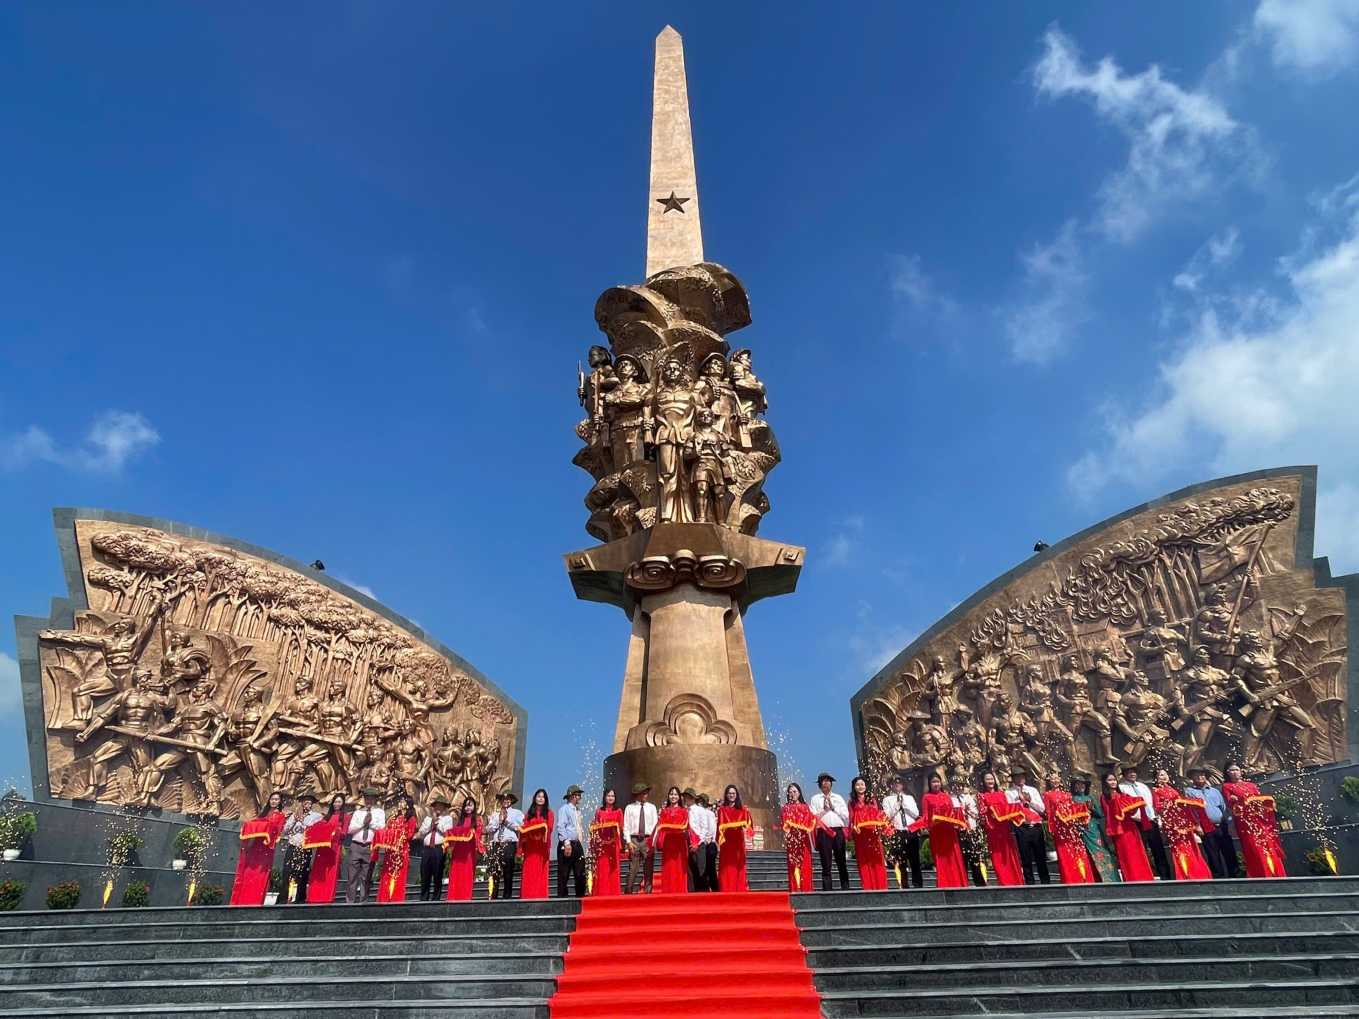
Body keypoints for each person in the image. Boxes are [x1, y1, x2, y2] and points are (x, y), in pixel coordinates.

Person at [1222, 763, 1287, 878]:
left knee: (1267, 844)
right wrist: (1234, 800)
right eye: (1231, 770)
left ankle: (1276, 872)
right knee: (1253, 846)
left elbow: (1259, 800)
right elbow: (1231, 804)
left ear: (1241, 771)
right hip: (1245, 821)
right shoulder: (1227, 786)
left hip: (1259, 819)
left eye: (1236, 769)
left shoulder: (1251, 785)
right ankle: (1260, 873)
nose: (1234, 772)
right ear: (1227, 773)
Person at [1151, 769, 1213, 880]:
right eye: (1160, 775)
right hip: (1172, 824)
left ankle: (1198, 872)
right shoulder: (1156, 791)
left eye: (1165, 774)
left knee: (1191, 846)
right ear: (1156, 778)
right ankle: (1186, 874)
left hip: (1183, 822)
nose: (1164, 776)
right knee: (1180, 848)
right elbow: (1158, 807)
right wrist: (1171, 804)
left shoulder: (1173, 789)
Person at [231, 791, 285, 906]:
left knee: (259, 875)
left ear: (280, 802)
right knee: (248, 873)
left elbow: (276, 830)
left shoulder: (280, 816)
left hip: (266, 848)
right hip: (255, 847)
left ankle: (254, 900)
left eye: (276, 799)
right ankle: (242, 900)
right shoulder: (263, 814)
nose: (274, 801)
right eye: (272, 799)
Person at [1120, 766, 1172, 881]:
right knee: (1141, 850)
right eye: (1129, 772)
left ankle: (1165, 876)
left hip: (1150, 820)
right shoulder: (1122, 788)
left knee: (1158, 849)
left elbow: (1151, 802)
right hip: (1136, 822)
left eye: (1134, 772)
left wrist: (1155, 817)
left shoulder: (1143, 786)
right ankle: (1145, 876)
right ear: (1124, 775)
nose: (1132, 774)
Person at [1101, 771, 1154, 881]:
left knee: (1138, 852)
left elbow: (1132, 810)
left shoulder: (1123, 794)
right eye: (1110, 780)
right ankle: (1132, 878)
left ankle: (1145, 877)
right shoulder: (1104, 797)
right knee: (1127, 855)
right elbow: (1108, 813)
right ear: (1105, 782)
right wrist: (1118, 806)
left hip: (1130, 827)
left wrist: (1135, 805)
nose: (1113, 782)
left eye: (1114, 780)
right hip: (1119, 829)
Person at [1042, 773, 1094, 884]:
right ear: (1049, 781)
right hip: (1060, 829)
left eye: (1057, 778)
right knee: (1066, 853)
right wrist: (1052, 828)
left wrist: (1083, 810)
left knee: (1079, 851)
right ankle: (1071, 879)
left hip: (1072, 827)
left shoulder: (1067, 794)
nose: (1055, 780)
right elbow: (1049, 812)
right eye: (1053, 779)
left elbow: (1073, 809)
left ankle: (1085, 877)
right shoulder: (1047, 795)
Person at [1184, 767, 1235, 878]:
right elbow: (1190, 811)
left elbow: (1224, 808)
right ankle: (1218, 878)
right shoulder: (1189, 792)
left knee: (1229, 851)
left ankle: (1235, 875)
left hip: (1221, 825)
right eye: (1197, 775)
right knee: (1213, 854)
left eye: (1202, 774)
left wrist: (1229, 823)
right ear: (1192, 778)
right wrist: (1196, 826)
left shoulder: (1215, 791)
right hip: (1205, 827)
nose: (1200, 777)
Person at [920, 773, 968, 888]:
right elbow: (925, 815)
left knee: (953, 856)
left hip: (949, 831)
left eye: (937, 781)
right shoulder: (926, 797)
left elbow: (952, 812)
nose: (936, 784)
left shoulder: (946, 796)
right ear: (930, 784)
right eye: (933, 782)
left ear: (941, 783)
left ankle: (958, 882)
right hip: (937, 832)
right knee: (941, 857)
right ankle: (944, 882)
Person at [1069, 774, 1119, 882]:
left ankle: (1111, 878)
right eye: (1078, 784)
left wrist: (1092, 809)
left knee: (1103, 851)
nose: (1081, 786)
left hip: (1094, 829)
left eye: (1082, 784)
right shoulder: (1072, 799)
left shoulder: (1090, 797)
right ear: (1074, 786)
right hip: (1081, 829)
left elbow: (1100, 814)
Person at [977, 771, 1024, 886]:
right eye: (987, 779)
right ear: (983, 782)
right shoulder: (981, 796)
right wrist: (991, 812)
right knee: (998, 855)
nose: (990, 781)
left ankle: (1016, 880)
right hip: (993, 829)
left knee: (1009, 853)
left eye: (991, 779)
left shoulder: (1002, 794)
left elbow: (1008, 808)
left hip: (1004, 828)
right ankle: (1004, 880)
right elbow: (982, 813)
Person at [1006, 768, 1050, 885]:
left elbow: (1042, 809)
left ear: (1024, 778)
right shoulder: (1009, 793)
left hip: (1035, 826)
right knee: (1025, 858)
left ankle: (1045, 882)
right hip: (1021, 827)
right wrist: (1018, 801)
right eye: (1016, 776)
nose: (1019, 778)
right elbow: (1010, 812)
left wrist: (1029, 801)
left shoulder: (1033, 790)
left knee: (1040, 856)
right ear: (1013, 779)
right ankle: (1030, 883)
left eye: (1021, 776)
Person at [808, 773, 851, 891]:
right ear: (819, 784)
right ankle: (827, 890)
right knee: (826, 863)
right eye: (823, 781)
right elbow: (812, 817)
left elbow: (846, 816)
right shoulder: (815, 799)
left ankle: (846, 888)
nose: (826, 783)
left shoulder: (838, 798)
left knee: (841, 861)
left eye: (828, 781)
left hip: (837, 831)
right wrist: (823, 810)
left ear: (831, 784)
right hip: (823, 832)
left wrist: (833, 807)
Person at [278, 792, 322, 904]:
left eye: (310, 802)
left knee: (303, 873)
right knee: (287, 872)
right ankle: (283, 898)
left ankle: (300, 898)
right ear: (302, 803)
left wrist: (302, 821)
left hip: (305, 847)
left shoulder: (316, 816)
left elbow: (314, 829)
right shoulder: (294, 815)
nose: (307, 804)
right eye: (305, 802)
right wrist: (294, 821)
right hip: (293, 845)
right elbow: (285, 830)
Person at [304, 793, 349, 904]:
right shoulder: (326, 817)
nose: (336, 804)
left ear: (343, 803)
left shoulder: (345, 817)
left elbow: (344, 833)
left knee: (330, 874)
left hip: (334, 848)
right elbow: (317, 828)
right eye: (335, 802)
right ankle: (313, 896)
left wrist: (335, 831)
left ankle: (326, 897)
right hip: (322, 849)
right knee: (318, 872)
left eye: (339, 802)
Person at [848, 776, 890, 891]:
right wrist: (852, 829)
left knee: (877, 859)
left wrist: (881, 827)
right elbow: (851, 818)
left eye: (862, 784)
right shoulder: (852, 802)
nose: (860, 787)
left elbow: (877, 814)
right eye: (857, 785)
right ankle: (868, 887)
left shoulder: (872, 799)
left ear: (866, 786)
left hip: (873, 833)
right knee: (863, 861)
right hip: (860, 835)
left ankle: (881, 886)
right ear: (854, 787)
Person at [881, 775, 922, 889]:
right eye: (895, 783)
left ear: (903, 785)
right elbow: (887, 816)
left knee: (915, 859)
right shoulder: (887, 799)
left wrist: (904, 804)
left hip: (911, 829)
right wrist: (897, 805)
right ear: (891, 785)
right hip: (897, 831)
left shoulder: (909, 798)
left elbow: (916, 813)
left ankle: (918, 883)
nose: (897, 785)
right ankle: (904, 884)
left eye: (899, 783)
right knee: (901, 860)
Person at [345, 786, 385, 903]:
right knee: (352, 876)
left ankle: (363, 901)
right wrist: (363, 824)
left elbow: (381, 827)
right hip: (356, 845)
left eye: (371, 798)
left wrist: (370, 823)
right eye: (367, 798)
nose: (369, 801)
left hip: (370, 846)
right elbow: (351, 829)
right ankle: (349, 901)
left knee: (366, 876)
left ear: (375, 800)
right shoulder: (358, 812)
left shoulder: (379, 812)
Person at [377, 794, 419, 902]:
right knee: (387, 874)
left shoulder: (411, 818)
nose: (400, 804)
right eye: (399, 801)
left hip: (401, 850)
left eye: (403, 802)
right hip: (390, 850)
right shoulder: (393, 817)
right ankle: (384, 897)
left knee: (399, 876)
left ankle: (395, 898)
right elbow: (387, 830)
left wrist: (397, 835)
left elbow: (409, 835)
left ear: (408, 804)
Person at [950, 774, 987, 886]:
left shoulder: (968, 798)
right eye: (956, 785)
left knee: (975, 858)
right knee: (962, 859)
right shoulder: (950, 799)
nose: (958, 788)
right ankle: (963, 882)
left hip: (971, 830)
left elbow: (975, 814)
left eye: (960, 785)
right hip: (958, 831)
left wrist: (966, 810)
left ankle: (979, 882)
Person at [485, 791, 524, 899]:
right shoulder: (495, 813)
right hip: (496, 844)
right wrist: (499, 821)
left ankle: (507, 895)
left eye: (508, 799)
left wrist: (506, 821)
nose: (505, 801)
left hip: (509, 843)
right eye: (503, 799)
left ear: (511, 801)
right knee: (494, 872)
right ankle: (493, 895)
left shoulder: (517, 813)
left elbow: (520, 827)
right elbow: (488, 829)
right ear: (501, 801)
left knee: (508, 871)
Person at [653, 786, 691, 893]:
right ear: (668, 796)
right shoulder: (664, 811)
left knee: (679, 868)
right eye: (671, 794)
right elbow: (660, 828)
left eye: (675, 794)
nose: (673, 796)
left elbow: (687, 828)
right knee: (669, 868)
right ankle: (668, 892)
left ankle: (680, 891)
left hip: (680, 843)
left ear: (679, 797)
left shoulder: (684, 811)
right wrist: (658, 842)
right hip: (668, 843)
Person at [416, 795, 453, 901]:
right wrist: (431, 822)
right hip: (427, 848)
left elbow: (447, 831)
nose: (438, 808)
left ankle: (436, 897)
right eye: (437, 806)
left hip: (438, 848)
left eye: (441, 806)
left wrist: (438, 823)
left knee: (437, 873)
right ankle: (424, 897)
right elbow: (422, 831)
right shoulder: (428, 819)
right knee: (425, 873)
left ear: (444, 807)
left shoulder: (447, 819)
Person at [554, 785, 588, 898]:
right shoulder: (564, 809)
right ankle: (562, 898)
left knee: (580, 872)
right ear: (572, 796)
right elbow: (561, 826)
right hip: (567, 843)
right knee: (564, 873)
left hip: (577, 843)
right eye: (578, 795)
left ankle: (580, 896)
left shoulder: (577, 811)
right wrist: (566, 842)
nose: (579, 797)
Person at [781, 783, 816, 892]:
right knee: (793, 867)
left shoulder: (805, 807)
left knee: (805, 866)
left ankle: (807, 890)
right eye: (790, 792)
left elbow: (811, 822)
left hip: (804, 841)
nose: (792, 794)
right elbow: (784, 823)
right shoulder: (786, 808)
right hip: (792, 841)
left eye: (794, 791)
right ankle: (795, 890)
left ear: (799, 793)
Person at [716, 784, 752, 892]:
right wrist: (719, 841)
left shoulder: (742, 809)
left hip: (738, 841)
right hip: (727, 842)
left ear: (736, 795)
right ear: (726, 795)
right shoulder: (722, 810)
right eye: (729, 793)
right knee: (726, 866)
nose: (731, 795)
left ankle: (739, 889)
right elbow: (719, 827)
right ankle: (726, 888)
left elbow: (749, 826)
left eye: (733, 793)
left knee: (739, 865)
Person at [445, 797, 482, 901]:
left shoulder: (478, 820)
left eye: (470, 805)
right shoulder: (460, 821)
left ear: (474, 807)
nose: (468, 808)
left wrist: (472, 833)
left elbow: (478, 835)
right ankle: (453, 896)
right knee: (456, 872)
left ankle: (465, 896)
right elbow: (454, 835)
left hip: (469, 852)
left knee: (466, 874)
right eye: (466, 805)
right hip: (458, 851)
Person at [519, 788, 553, 900]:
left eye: (543, 797)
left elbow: (550, 827)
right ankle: (527, 895)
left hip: (542, 848)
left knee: (541, 873)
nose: (540, 798)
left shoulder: (549, 813)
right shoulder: (528, 814)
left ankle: (541, 895)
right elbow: (524, 829)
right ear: (535, 798)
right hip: (530, 848)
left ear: (545, 800)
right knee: (529, 872)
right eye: (538, 796)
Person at [623, 783, 658, 894]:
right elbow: (626, 826)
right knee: (633, 867)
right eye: (643, 792)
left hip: (648, 839)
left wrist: (653, 842)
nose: (645, 794)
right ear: (637, 794)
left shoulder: (651, 807)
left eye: (646, 792)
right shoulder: (630, 807)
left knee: (649, 867)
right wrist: (628, 842)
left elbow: (655, 826)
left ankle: (648, 892)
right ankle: (628, 891)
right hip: (634, 839)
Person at [590, 788, 624, 896]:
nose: (610, 798)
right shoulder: (599, 811)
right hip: (602, 846)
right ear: (604, 797)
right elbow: (595, 827)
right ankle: (602, 894)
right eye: (608, 796)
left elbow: (621, 827)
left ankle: (614, 894)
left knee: (613, 870)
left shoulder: (618, 811)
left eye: (612, 796)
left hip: (613, 845)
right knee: (602, 870)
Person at [684, 788, 715, 891]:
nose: (687, 799)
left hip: (699, 843)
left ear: (693, 798)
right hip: (687, 842)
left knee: (701, 869)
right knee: (690, 871)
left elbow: (704, 827)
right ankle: (691, 892)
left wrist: (697, 842)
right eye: (685, 797)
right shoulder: (684, 811)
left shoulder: (700, 810)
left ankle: (703, 892)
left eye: (689, 797)